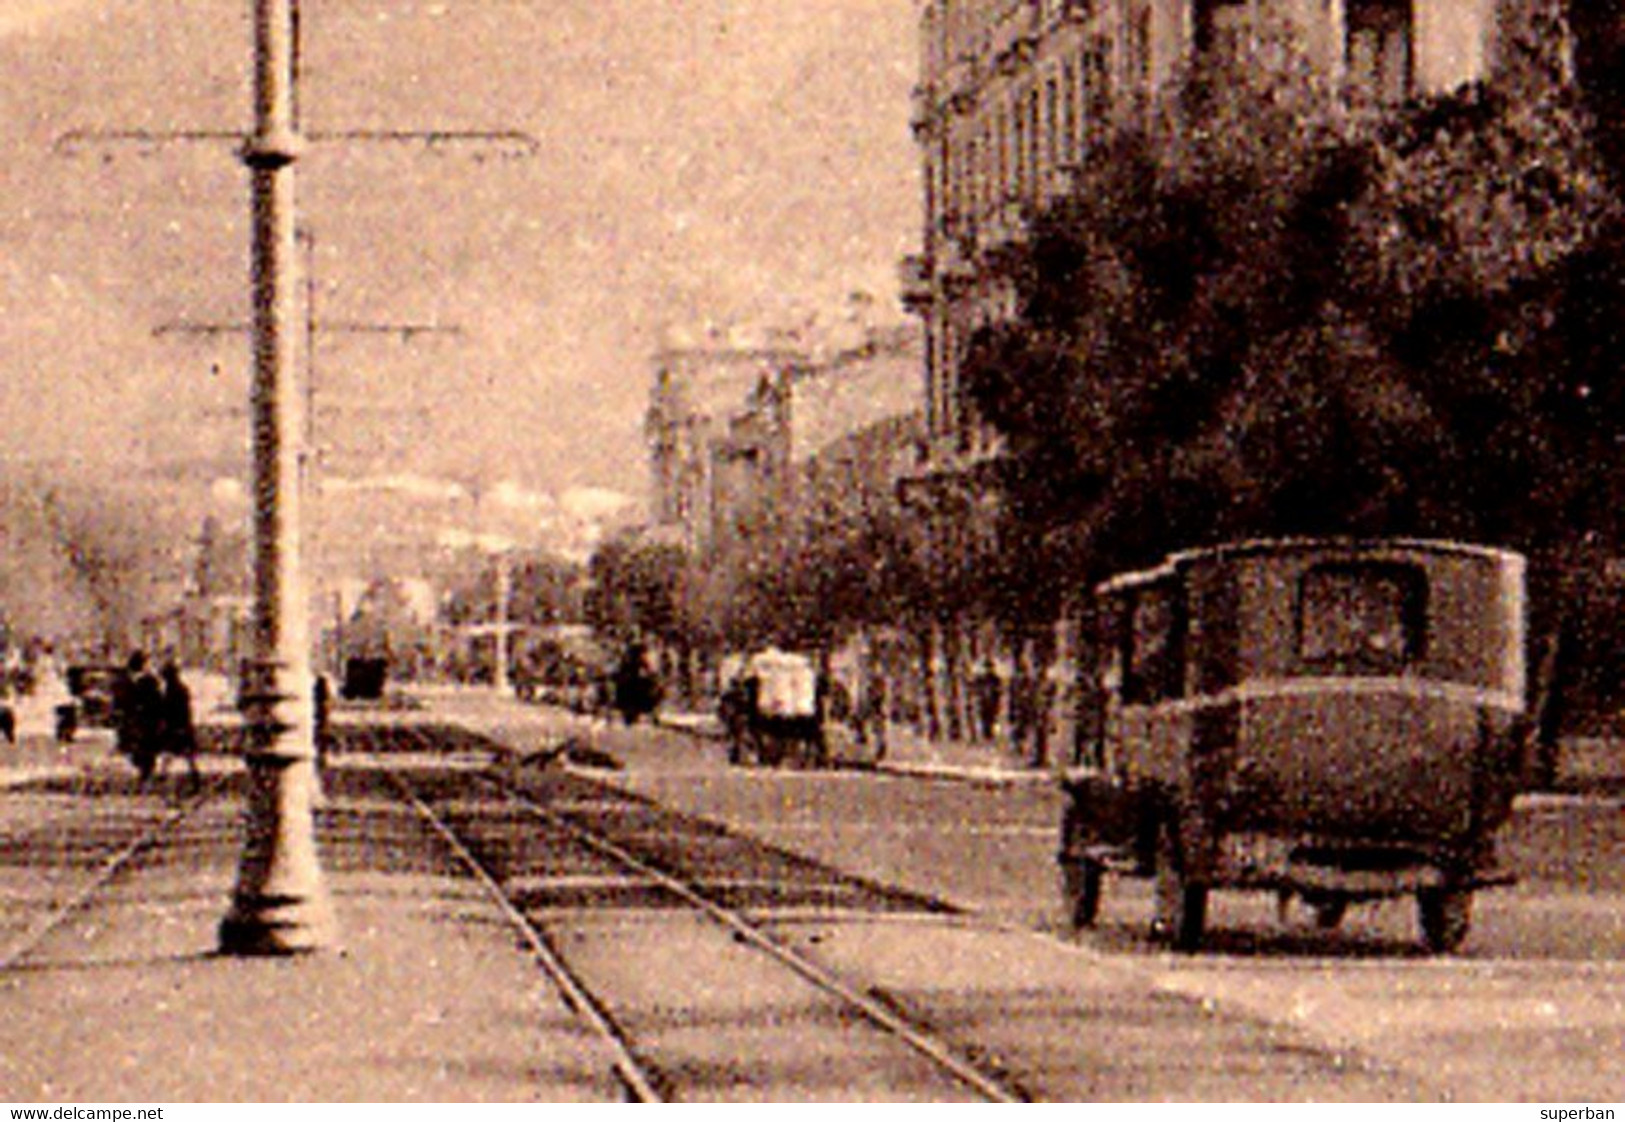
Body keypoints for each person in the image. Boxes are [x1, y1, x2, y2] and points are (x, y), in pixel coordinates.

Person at [113, 651, 163, 782]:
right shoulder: (145, 681)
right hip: (141, 720)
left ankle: (145, 769)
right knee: (141, 746)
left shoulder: (132, 680)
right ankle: (145, 768)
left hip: (143, 720)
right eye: (147, 663)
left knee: (143, 746)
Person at [158, 662, 201, 789]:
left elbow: (168, 709)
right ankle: (193, 775)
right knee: (185, 754)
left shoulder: (171, 690)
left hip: (176, 726)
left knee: (172, 751)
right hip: (182, 726)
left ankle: (164, 774)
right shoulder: (181, 689)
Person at [972, 659, 1002, 742]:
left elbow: (999, 691)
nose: (988, 670)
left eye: (990, 668)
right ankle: (986, 734)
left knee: (994, 719)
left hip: (993, 703)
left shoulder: (995, 679)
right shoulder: (981, 679)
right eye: (987, 668)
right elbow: (976, 688)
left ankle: (995, 734)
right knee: (985, 718)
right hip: (984, 702)